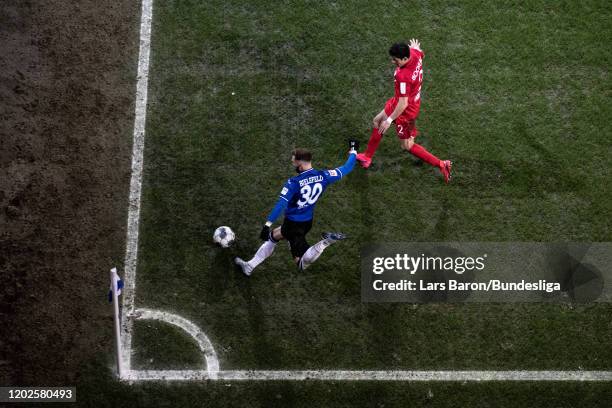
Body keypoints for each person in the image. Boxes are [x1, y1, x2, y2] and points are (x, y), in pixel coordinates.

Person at [235, 141, 358, 275]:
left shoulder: (293, 183)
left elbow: (281, 204)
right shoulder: (324, 176)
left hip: (292, 225)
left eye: (294, 162)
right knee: (274, 236)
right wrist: (353, 151)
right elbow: (347, 167)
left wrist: (267, 224)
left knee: (301, 263)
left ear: (300, 163)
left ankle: (326, 242)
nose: (293, 164)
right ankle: (249, 266)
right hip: (307, 222)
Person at [356, 39, 452, 183]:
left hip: (406, 112)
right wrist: (415, 48)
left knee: (407, 145)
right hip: (406, 103)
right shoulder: (414, 53)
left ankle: (442, 164)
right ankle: (367, 157)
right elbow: (419, 52)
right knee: (377, 121)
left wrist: (390, 120)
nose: (393, 62)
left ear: (405, 58)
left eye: (396, 60)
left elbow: (403, 103)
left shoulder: (403, 76)